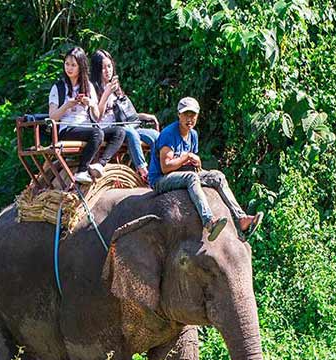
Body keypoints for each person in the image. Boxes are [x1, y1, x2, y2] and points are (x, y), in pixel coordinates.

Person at [148, 97, 263, 241]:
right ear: (179, 115)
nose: (189, 119)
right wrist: (187, 156)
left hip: (181, 173)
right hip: (161, 180)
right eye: (186, 114)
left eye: (193, 115)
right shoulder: (169, 134)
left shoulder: (193, 135)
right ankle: (209, 221)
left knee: (217, 176)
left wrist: (196, 162)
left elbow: (191, 164)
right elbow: (165, 167)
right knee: (192, 177)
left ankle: (241, 219)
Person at [48, 46, 125, 185]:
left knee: (119, 132)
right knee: (97, 133)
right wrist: (67, 105)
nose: (69, 68)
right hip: (67, 129)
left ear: (81, 66)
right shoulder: (58, 87)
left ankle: (100, 165)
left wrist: (91, 104)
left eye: (73, 65)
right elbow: (52, 117)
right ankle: (81, 171)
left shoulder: (88, 86)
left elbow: (96, 117)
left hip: (88, 127)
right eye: (67, 64)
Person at [90, 49, 159, 183]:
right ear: (96, 69)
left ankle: (157, 169)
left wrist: (143, 116)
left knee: (156, 136)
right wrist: (106, 94)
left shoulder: (116, 88)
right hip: (109, 128)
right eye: (103, 68)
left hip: (127, 125)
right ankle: (142, 170)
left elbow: (126, 113)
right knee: (131, 133)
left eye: (109, 66)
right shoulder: (93, 88)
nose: (107, 70)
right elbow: (97, 116)